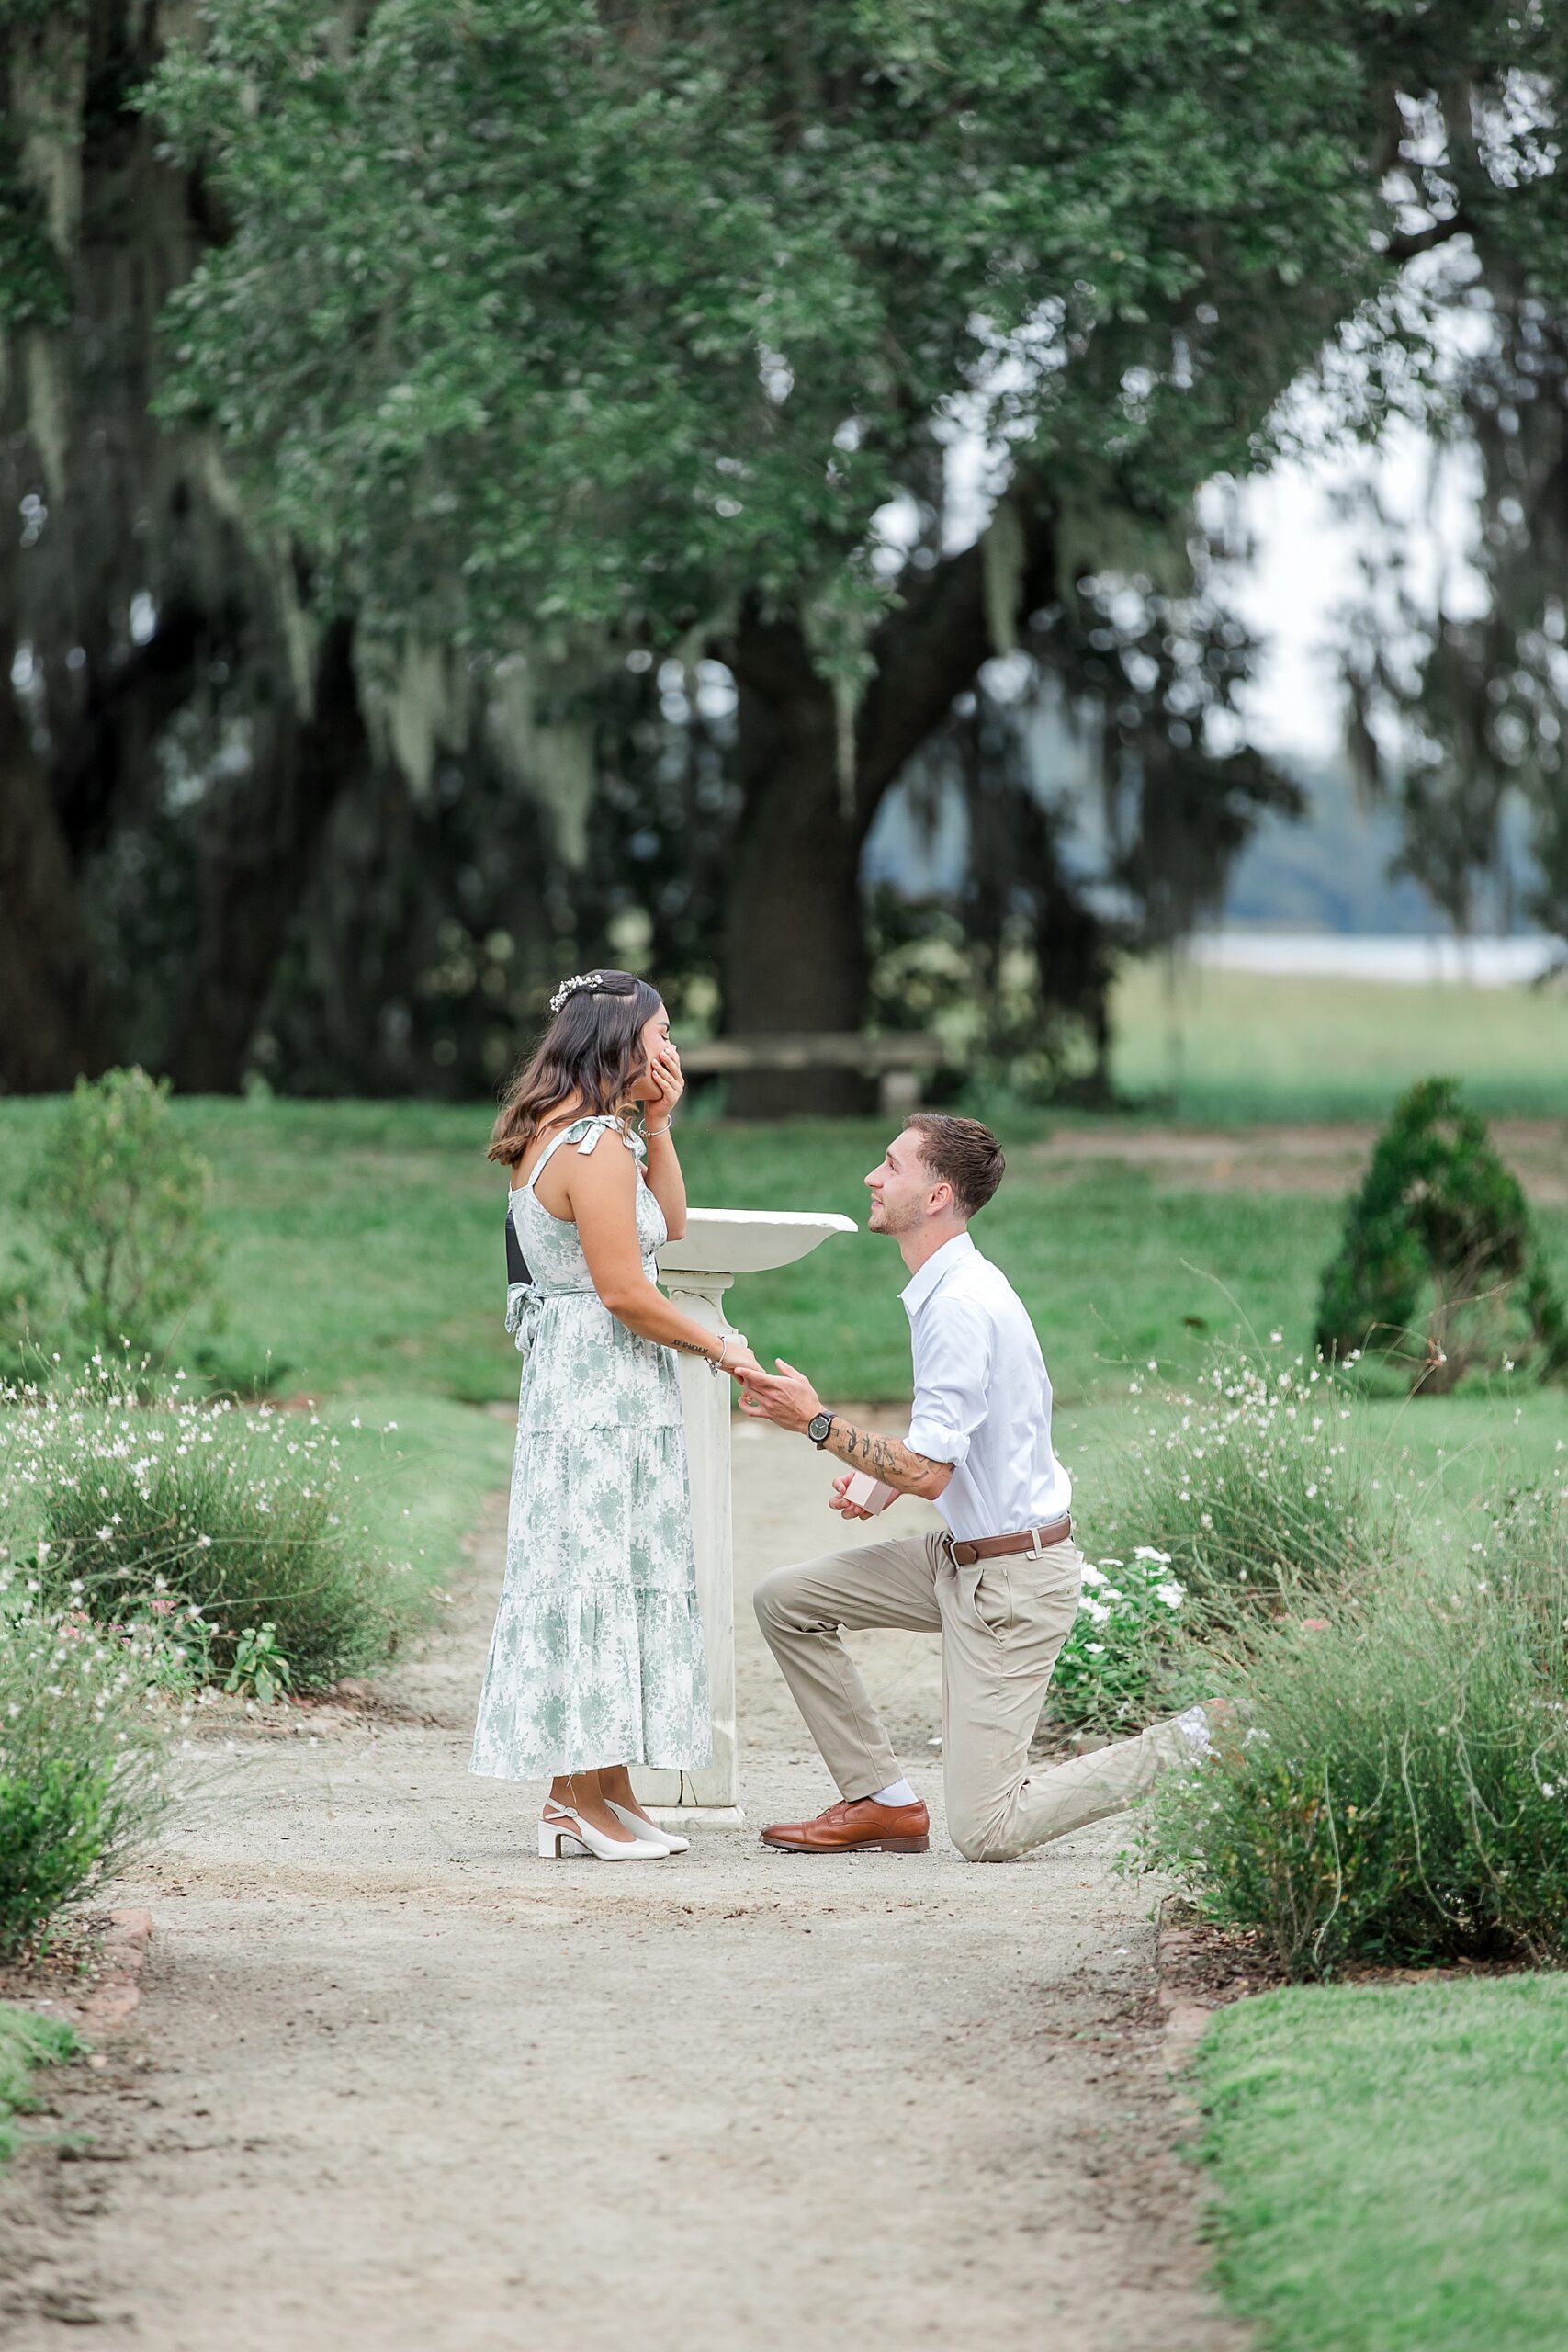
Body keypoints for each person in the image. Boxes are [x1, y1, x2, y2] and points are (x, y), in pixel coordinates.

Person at [740, 1112, 1216, 1860]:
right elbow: (956, 1436)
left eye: (891, 1166)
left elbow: (930, 1469)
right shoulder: (954, 1287)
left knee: (986, 1831)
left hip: (1013, 1583)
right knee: (787, 1600)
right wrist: (880, 1484)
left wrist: (817, 1422)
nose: (872, 1177)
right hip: (961, 1559)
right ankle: (880, 1801)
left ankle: (1203, 1737)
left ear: (936, 1196)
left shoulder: (959, 1305)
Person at [471, 970, 763, 1861]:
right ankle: (571, 1800)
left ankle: (610, 1790)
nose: (672, 1049)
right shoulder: (592, 1145)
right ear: (617, 1041)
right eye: (661, 1032)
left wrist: (661, 1125)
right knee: (596, 1576)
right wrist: (721, 1348)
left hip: (598, 1388)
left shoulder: (583, 1135)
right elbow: (627, 1292)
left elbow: (667, 1225)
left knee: (617, 1570)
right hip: (598, 1393)